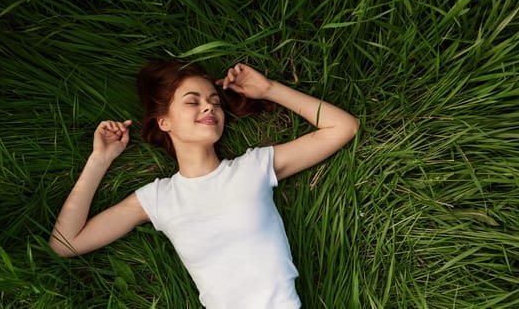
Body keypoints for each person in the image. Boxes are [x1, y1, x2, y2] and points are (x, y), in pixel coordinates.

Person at [49, 60, 359, 308]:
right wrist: (100, 160)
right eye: (192, 102)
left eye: (214, 101)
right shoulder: (158, 199)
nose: (209, 107)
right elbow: (66, 244)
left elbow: (342, 127)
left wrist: (269, 89)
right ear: (164, 121)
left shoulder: (253, 168)